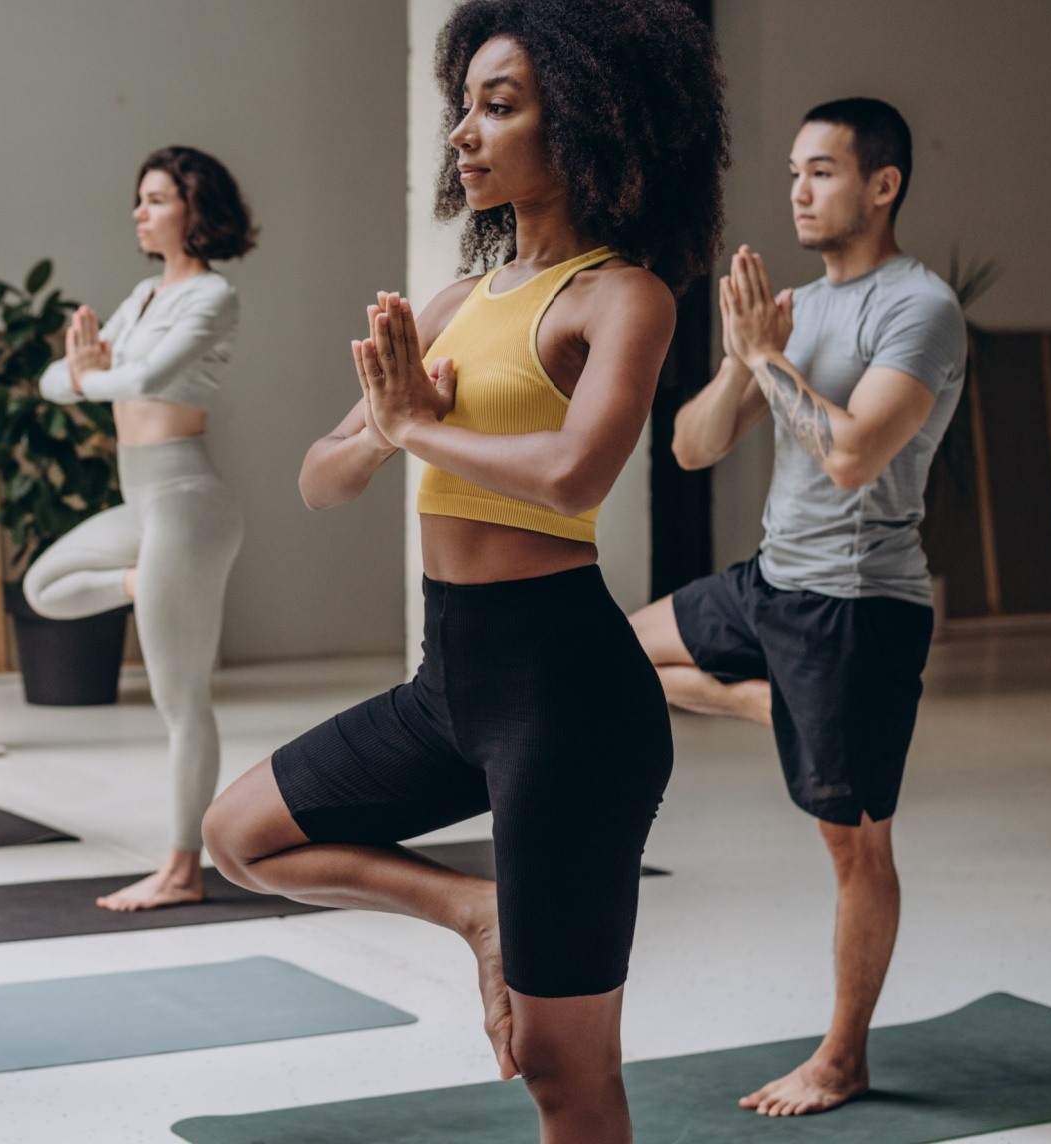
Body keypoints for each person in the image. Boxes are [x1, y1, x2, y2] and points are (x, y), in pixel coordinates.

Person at [202, 2, 726, 1140]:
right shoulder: (449, 304)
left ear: (584, 120)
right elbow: (319, 478)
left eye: (502, 106)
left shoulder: (621, 296)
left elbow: (575, 473)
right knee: (239, 837)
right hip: (453, 683)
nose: (466, 132)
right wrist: (389, 426)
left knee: (561, 1062)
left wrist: (415, 428)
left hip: (570, 697)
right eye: (465, 106)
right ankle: (472, 910)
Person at [629, 97, 966, 1117]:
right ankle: (770, 708)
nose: (799, 192)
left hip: (858, 608)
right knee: (601, 653)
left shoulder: (919, 307)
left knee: (855, 843)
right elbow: (690, 447)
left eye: (821, 171)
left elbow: (856, 455)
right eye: (792, 174)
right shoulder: (792, 312)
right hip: (769, 581)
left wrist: (768, 361)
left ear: (883, 184)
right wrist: (741, 358)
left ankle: (843, 1057)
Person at [23, 145, 254, 912]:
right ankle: (142, 583)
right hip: (145, 510)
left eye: (155, 198)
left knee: (180, 701)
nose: (139, 211)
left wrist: (90, 375)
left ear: (194, 208)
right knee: (44, 587)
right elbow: (59, 379)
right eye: (140, 198)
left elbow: (144, 379)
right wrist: (88, 374)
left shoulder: (211, 296)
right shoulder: (144, 295)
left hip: (188, 503)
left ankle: (182, 869)